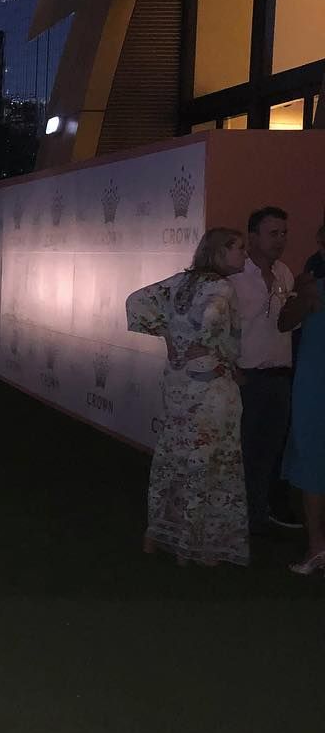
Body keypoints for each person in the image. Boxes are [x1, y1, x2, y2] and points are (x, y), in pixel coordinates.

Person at [126, 228, 249, 567]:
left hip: (179, 383)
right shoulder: (222, 288)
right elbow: (213, 319)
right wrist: (217, 351)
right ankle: (194, 545)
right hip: (210, 388)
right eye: (239, 248)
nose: (244, 255)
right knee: (209, 461)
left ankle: (159, 534)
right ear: (220, 252)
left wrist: (169, 335)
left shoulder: (181, 282)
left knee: (173, 456)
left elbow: (137, 300)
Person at [230, 207, 299, 536]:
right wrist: (231, 369)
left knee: (269, 451)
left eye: (284, 233)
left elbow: (288, 324)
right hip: (246, 378)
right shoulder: (234, 276)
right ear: (253, 237)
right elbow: (220, 328)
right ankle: (233, 520)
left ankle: (258, 516)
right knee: (240, 451)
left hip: (279, 378)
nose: (280, 240)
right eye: (273, 233)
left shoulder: (285, 272)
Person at [281, 258, 325, 573]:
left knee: (312, 459)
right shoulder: (313, 288)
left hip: (314, 384)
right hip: (314, 384)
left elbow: (285, 322)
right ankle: (317, 547)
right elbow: (285, 322)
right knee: (312, 459)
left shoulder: (313, 288)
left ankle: (317, 546)